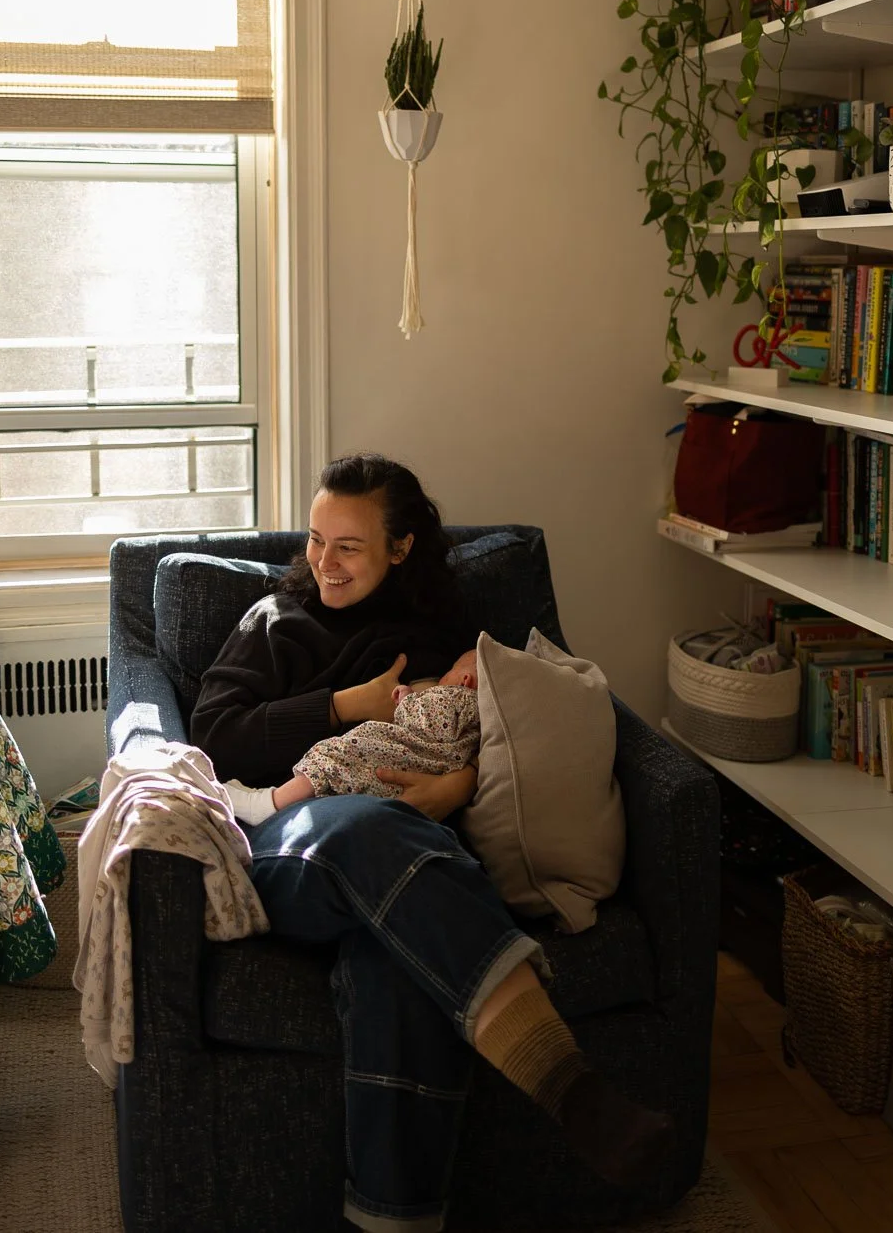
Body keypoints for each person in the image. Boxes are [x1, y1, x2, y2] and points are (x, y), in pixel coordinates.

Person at [191, 453, 673, 1233]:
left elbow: (491, 725)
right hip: (289, 839)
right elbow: (213, 734)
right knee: (367, 827)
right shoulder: (275, 621)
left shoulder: (444, 635)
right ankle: (561, 1077)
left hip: (418, 852)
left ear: (402, 547)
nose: (322, 562)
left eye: (348, 546)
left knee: (399, 964)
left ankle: (392, 1222)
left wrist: (458, 786)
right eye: (316, 540)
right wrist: (352, 704)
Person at [222, 647, 480, 824]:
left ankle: (270, 804)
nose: (326, 564)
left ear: (465, 679)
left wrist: (460, 786)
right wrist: (344, 705)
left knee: (333, 757)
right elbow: (217, 738)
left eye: (447, 674)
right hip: (394, 798)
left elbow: (426, 720)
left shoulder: (453, 695)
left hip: (392, 779)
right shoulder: (478, 716)